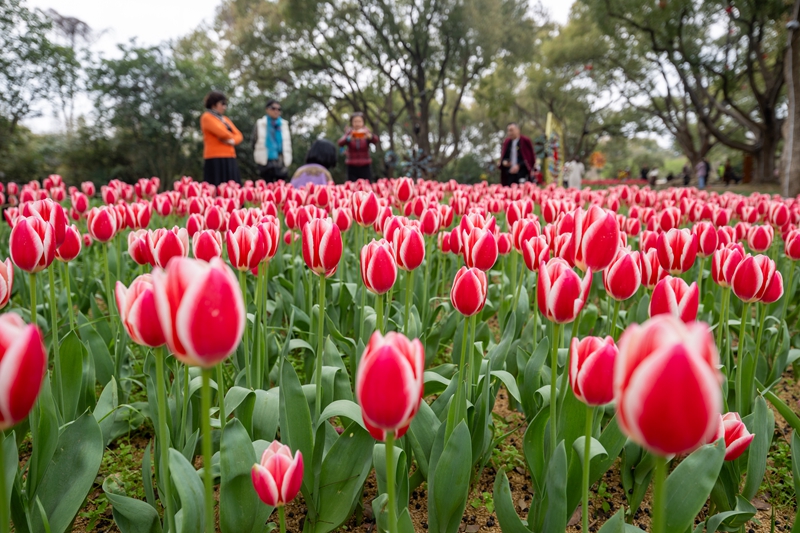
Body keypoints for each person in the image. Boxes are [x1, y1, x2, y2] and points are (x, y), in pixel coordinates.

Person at [200, 91, 243, 185]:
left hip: (230, 156)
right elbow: (222, 133)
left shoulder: (225, 119)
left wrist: (232, 141)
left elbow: (239, 135)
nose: (224, 107)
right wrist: (232, 136)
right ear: (213, 104)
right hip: (215, 158)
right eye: (222, 104)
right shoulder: (206, 117)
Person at [252, 99, 293, 183]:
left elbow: (287, 143)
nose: (276, 111)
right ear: (267, 109)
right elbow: (254, 141)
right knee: (267, 185)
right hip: (266, 159)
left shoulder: (284, 124)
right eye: (273, 108)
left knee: (281, 185)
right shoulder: (260, 123)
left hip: (281, 159)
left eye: (279, 109)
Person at [337, 112, 378, 181]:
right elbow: (340, 142)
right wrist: (349, 139)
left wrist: (369, 136)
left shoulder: (366, 132)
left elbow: (375, 140)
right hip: (351, 165)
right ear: (351, 123)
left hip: (365, 164)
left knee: (366, 186)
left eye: (359, 121)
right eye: (355, 121)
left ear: (363, 122)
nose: (357, 124)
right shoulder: (349, 133)